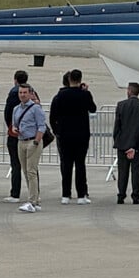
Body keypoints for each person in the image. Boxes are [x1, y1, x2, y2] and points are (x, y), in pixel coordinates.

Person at [49, 69, 97, 204]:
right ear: (80, 79)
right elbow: (93, 109)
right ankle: (81, 195)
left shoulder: (60, 96)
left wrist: (57, 130)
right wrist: (86, 91)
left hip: (64, 134)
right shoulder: (85, 95)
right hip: (81, 134)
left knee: (66, 164)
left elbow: (53, 116)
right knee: (80, 164)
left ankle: (66, 194)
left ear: (69, 79)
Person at [12, 84, 46, 213]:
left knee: (31, 171)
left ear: (30, 93)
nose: (22, 95)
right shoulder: (16, 109)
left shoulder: (36, 108)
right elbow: (14, 124)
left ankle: (32, 201)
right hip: (21, 141)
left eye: (25, 92)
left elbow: (41, 126)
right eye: (20, 92)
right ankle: (35, 199)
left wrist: (36, 141)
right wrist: (15, 129)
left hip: (32, 141)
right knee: (26, 171)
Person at [3, 69, 35, 203]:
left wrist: (11, 127)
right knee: (32, 167)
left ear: (15, 79)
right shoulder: (32, 92)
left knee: (16, 164)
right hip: (31, 135)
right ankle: (34, 193)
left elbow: (7, 112)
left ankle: (15, 193)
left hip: (15, 134)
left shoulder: (13, 93)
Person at [112, 82, 139, 205]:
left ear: (129, 91)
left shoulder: (121, 105)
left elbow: (117, 126)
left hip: (123, 143)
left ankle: (121, 195)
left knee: (123, 171)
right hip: (137, 144)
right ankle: (135, 195)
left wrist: (117, 140)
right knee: (136, 172)